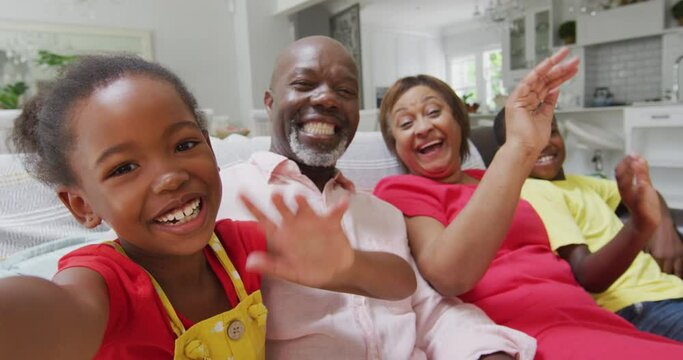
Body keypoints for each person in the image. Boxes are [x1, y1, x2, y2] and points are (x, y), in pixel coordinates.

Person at [0, 55, 417, 359]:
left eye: (184, 145)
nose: (170, 177)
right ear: (81, 205)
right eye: (124, 167)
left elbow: (401, 284)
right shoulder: (100, 285)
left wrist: (345, 267)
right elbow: (45, 314)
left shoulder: (238, 246)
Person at [217, 35, 537, 359]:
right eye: (304, 84)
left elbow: (430, 311)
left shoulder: (383, 213)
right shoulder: (222, 196)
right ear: (270, 103)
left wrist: (486, 350)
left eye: (344, 91)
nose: (327, 98)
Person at [373, 68, 683, 357]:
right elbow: (447, 275)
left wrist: (648, 219)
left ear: (458, 122)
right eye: (406, 123)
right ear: (395, 144)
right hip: (524, 328)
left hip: (587, 314)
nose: (424, 127)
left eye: (433, 112)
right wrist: (518, 147)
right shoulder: (402, 189)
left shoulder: (497, 180)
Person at [492, 110, 683, 341]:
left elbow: (649, 198)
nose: (543, 144)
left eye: (550, 132)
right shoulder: (534, 191)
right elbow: (588, 276)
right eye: (528, 140)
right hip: (635, 306)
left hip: (668, 291)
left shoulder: (577, 183)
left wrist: (663, 226)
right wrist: (642, 225)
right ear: (506, 153)